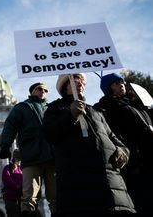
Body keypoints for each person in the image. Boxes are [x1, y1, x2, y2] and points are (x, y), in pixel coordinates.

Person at [43, 73, 136, 217]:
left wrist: (123, 149)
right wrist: (70, 115)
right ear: (65, 86)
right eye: (74, 81)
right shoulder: (55, 108)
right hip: (78, 184)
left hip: (110, 184)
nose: (80, 83)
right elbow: (50, 134)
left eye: (82, 81)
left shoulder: (95, 111)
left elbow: (111, 136)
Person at [94, 73, 153, 217]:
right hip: (132, 163)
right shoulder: (105, 108)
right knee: (142, 202)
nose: (121, 85)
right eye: (116, 83)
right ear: (108, 88)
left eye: (122, 81)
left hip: (149, 158)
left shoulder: (136, 104)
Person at [0, 82, 56, 217]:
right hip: (32, 156)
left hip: (51, 156)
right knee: (29, 195)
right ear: (32, 91)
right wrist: (5, 145)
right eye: (40, 89)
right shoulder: (22, 108)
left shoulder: (52, 108)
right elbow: (10, 127)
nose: (43, 91)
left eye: (45, 90)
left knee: (55, 196)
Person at [1, 149, 22, 217]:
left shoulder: (21, 169)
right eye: (19, 159)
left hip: (21, 198)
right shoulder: (7, 168)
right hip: (11, 198)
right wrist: (17, 186)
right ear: (15, 158)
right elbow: (7, 179)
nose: (20, 161)